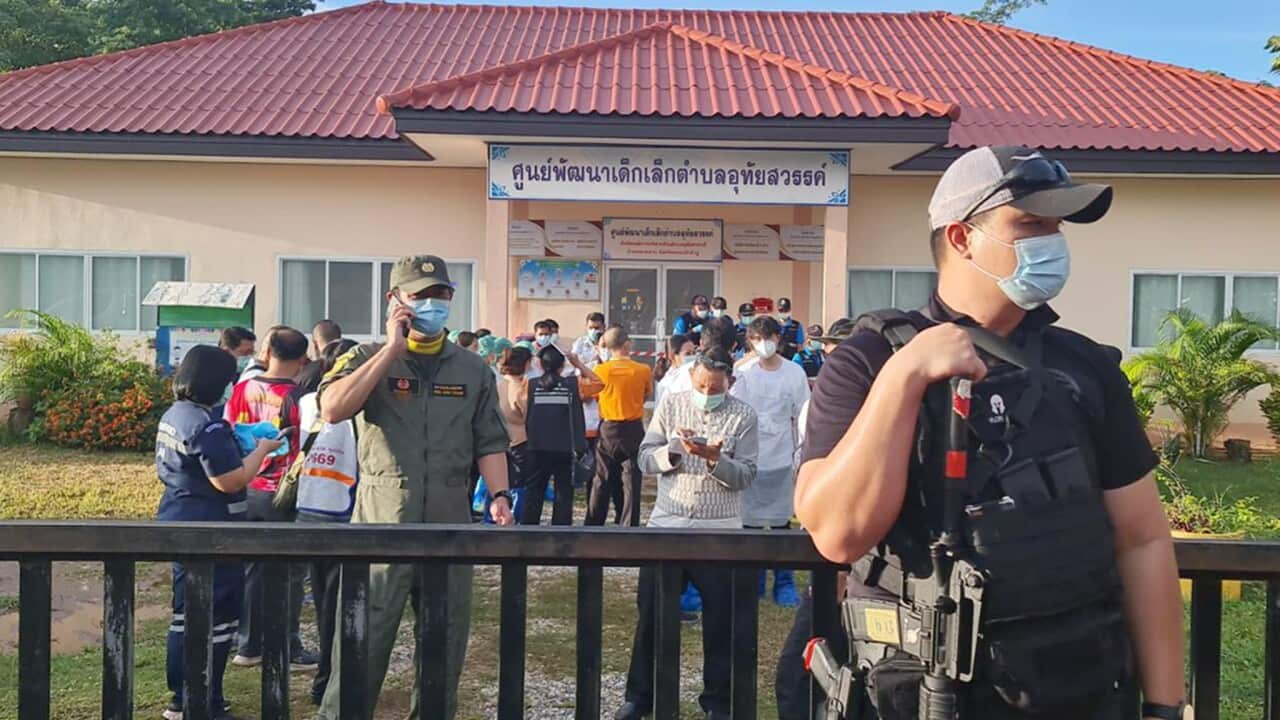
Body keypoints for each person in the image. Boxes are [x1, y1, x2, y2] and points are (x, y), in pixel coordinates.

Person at [796, 146, 1184, 720]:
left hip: (1079, 689)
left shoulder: (1084, 369)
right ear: (961, 238)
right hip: (922, 694)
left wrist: (1165, 706)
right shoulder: (869, 360)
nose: (1050, 242)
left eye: (1056, 226)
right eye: (1029, 224)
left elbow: (1143, 540)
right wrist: (905, 376)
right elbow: (837, 535)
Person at [315, 255, 513, 720]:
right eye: (420, 295)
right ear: (395, 300)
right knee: (361, 643)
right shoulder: (362, 358)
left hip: (449, 525)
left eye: (440, 294)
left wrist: (500, 496)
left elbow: (489, 440)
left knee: (444, 648)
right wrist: (390, 350)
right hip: (382, 524)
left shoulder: (472, 368)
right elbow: (332, 409)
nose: (432, 303)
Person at [615, 347, 758, 720]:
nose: (707, 394)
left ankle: (719, 702)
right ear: (692, 376)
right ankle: (640, 696)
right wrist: (673, 452)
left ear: (731, 382)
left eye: (715, 387)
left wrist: (715, 459)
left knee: (721, 621)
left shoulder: (744, 416)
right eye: (701, 385)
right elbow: (645, 458)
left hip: (720, 530)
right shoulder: (672, 403)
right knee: (651, 615)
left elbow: (746, 474)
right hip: (668, 523)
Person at [155, 346, 284, 720]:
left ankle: (181, 698)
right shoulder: (207, 425)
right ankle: (203, 700)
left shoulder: (176, 414)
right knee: (216, 620)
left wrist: (234, 438)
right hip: (212, 531)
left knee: (185, 615)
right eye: (230, 379)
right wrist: (262, 450)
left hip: (180, 521)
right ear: (216, 382)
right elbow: (230, 480)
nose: (232, 386)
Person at [223, 327, 319, 671]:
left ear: (267, 349)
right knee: (290, 572)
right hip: (283, 493)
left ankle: (248, 645)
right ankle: (289, 646)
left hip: (246, 485)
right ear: (303, 358)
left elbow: (228, 427)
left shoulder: (243, 387)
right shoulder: (300, 397)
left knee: (252, 567)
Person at [289, 337, 359, 705]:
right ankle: (330, 680)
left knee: (322, 601)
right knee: (342, 606)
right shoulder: (361, 409)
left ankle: (326, 678)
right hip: (343, 514)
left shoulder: (305, 401)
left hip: (308, 509)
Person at [730, 316, 810, 607]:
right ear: (749, 342)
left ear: (779, 338)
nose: (764, 344)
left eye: (769, 338)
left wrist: (802, 454)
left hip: (782, 455)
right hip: (750, 456)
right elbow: (732, 410)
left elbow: (803, 414)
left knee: (780, 523)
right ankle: (754, 581)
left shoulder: (794, 373)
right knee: (749, 524)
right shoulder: (743, 372)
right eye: (756, 339)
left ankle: (784, 582)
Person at [521, 345, 599, 525]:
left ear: (540, 365)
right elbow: (598, 384)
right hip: (564, 447)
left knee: (534, 491)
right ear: (563, 366)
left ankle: (527, 532)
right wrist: (579, 364)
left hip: (536, 445)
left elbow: (522, 410)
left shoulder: (530, 385)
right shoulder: (573, 385)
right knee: (564, 492)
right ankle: (561, 533)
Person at [586, 327, 652, 526]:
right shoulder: (642, 370)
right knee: (632, 480)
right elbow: (646, 395)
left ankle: (594, 524)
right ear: (627, 344)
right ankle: (629, 526)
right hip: (633, 427)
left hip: (608, 427)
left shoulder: (600, 370)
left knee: (602, 477)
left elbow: (594, 396)